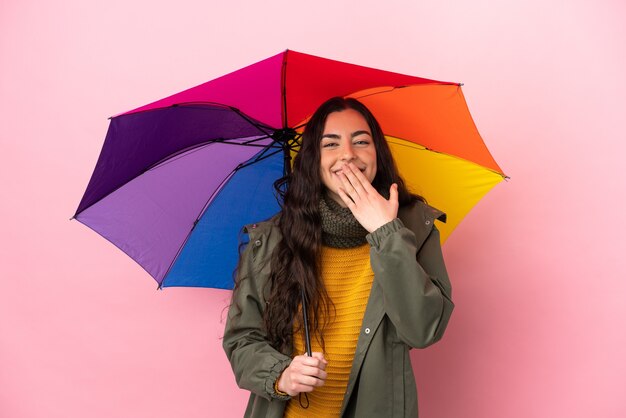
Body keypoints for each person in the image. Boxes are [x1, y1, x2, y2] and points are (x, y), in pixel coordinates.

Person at [223, 97, 454, 418]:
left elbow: (423, 329)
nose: (348, 154)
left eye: (361, 141)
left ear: (378, 154)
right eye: (330, 144)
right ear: (312, 160)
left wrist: (386, 232)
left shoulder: (414, 227)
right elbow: (241, 338)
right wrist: (280, 374)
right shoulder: (273, 238)